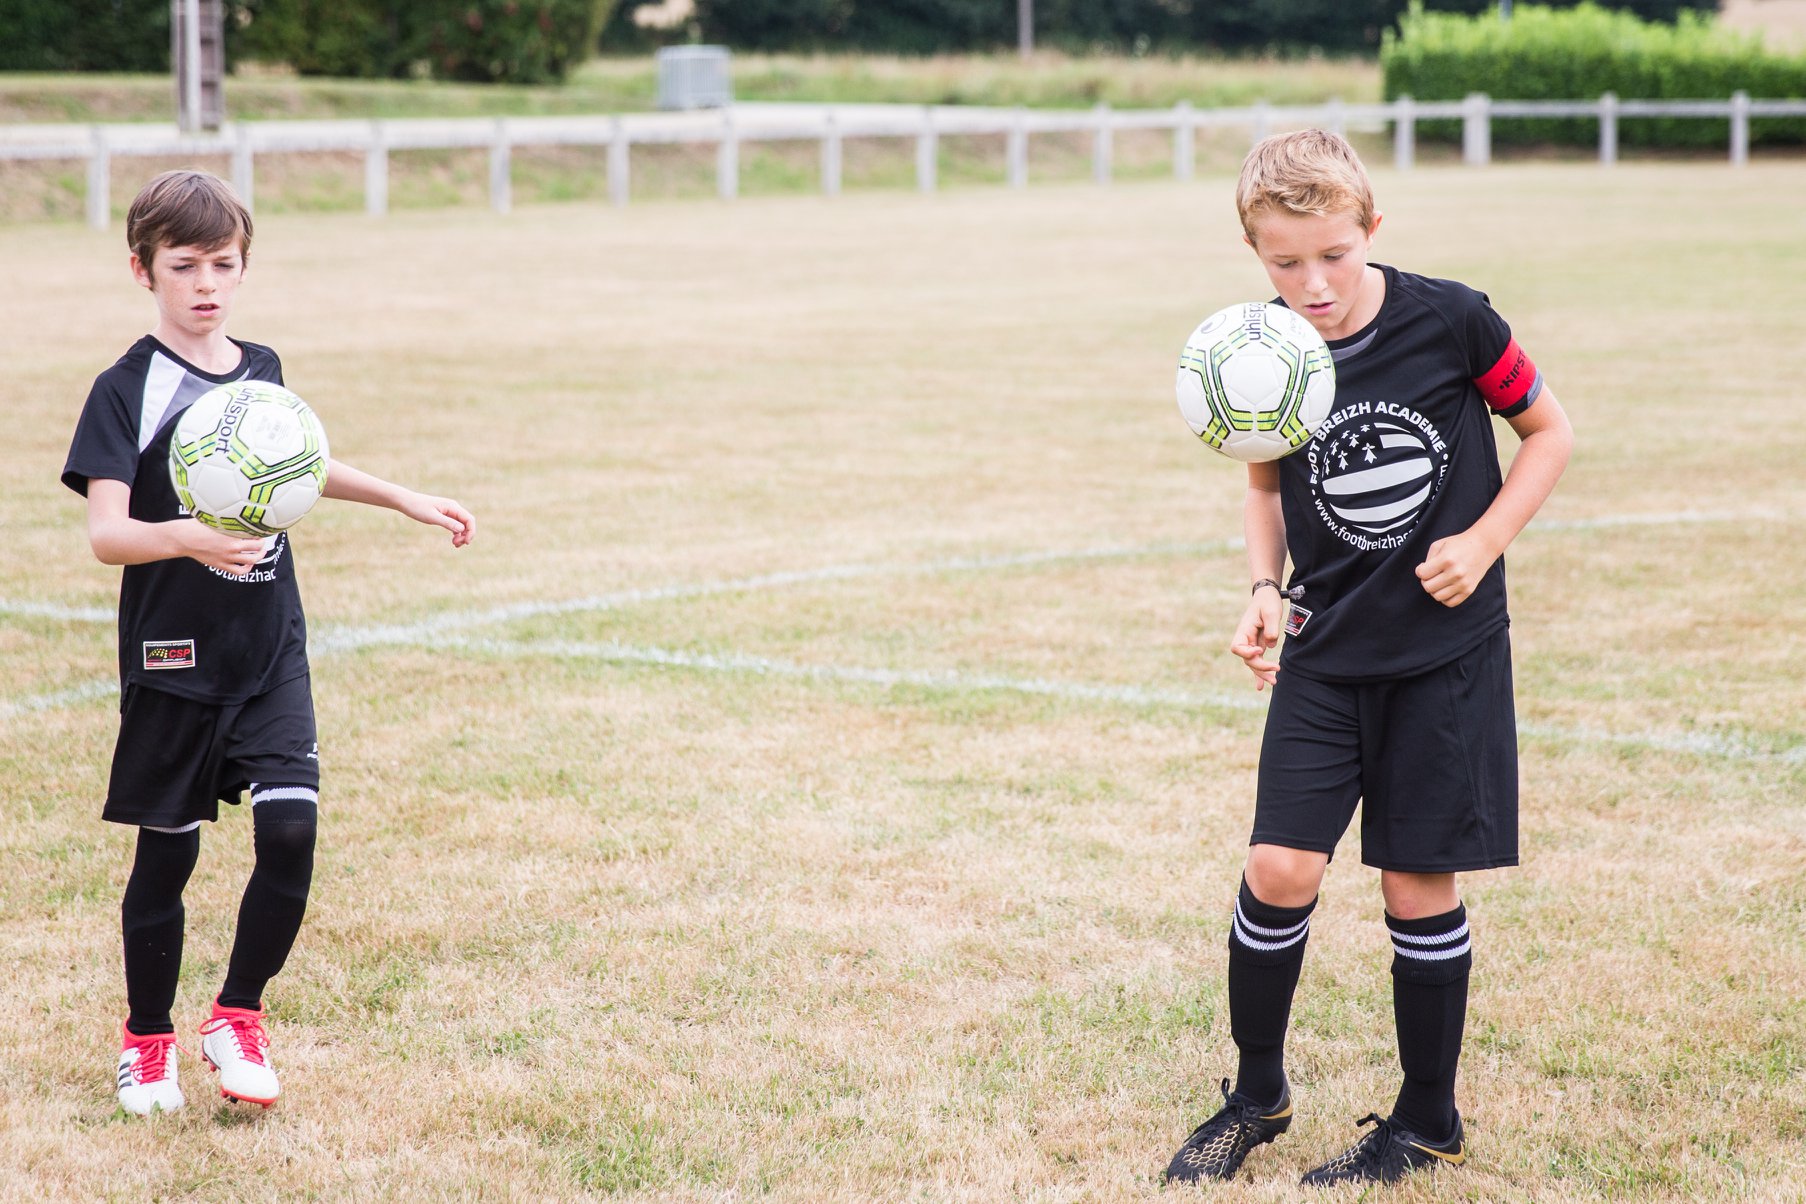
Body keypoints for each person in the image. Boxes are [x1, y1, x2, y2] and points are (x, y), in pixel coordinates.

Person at [1162, 130, 1572, 1187]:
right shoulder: (1265, 347)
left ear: (1371, 230)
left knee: (1414, 885)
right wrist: (1262, 588)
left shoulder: (1451, 318)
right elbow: (1262, 480)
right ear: (1256, 253)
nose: (1314, 285)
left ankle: (1427, 1118)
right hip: (1324, 647)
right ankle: (1258, 1096)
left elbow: (1550, 432)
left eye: (1333, 255)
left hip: (1444, 655)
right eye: (1285, 263)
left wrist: (1483, 543)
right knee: (1279, 865)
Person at [62, 170, 476, 1115]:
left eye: (224, 264)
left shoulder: (262, 369)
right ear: (143, 271)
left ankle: (236, 1015)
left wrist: (403, 496)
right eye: (184, 266)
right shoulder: (124, 390)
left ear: (244, 269)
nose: (206, 284)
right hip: (175, 651)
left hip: (268, 645)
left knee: (290, 833)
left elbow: (297, 463)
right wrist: (189, 537)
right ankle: (147, 1040)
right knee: (167, 857)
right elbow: (107, 535)